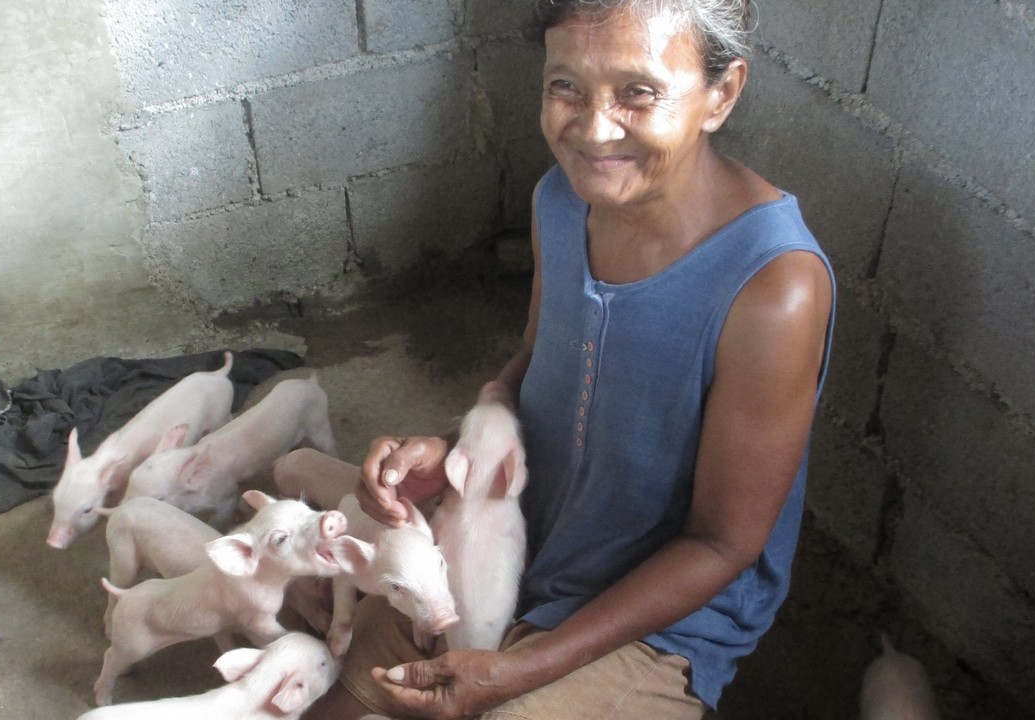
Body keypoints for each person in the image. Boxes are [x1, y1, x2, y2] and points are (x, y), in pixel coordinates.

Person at [283, 1, 836, 717]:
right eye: (565, 86)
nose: (594, 127)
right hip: (518, 540)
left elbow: (721, 543)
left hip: (657, 622)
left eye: (639, 92)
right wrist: (456, 450)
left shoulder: (773, 286)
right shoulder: (562, 202)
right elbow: (543, 368)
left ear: (721, 94)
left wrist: (520, 669)